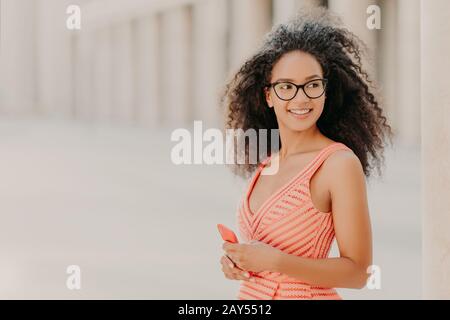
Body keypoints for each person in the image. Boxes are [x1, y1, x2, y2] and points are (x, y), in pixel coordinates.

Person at [220, 7, 392, 300]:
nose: (301, 98)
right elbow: (262, 252)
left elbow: (359, 272)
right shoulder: (267, 163)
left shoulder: (338, 164)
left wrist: (274, 261)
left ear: (326, 90)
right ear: (269, 95)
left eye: (312, 85)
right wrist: (238, 262)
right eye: (287, 87)